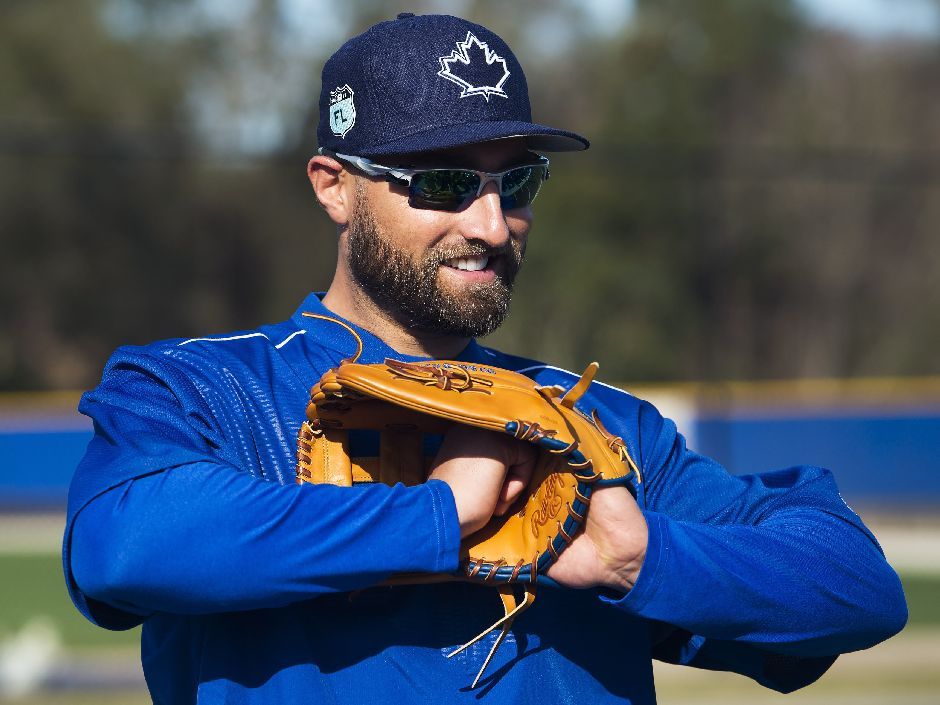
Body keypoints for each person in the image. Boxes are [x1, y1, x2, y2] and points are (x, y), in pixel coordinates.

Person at [64, 13, 907, 705]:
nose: (493, 224)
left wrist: (638, 561)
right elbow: (122, 545)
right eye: (442, 184)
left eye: (519, 182)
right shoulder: (210, 389)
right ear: (333, 185)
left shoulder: (593, 424)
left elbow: (854, 585)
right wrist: (437, 519)